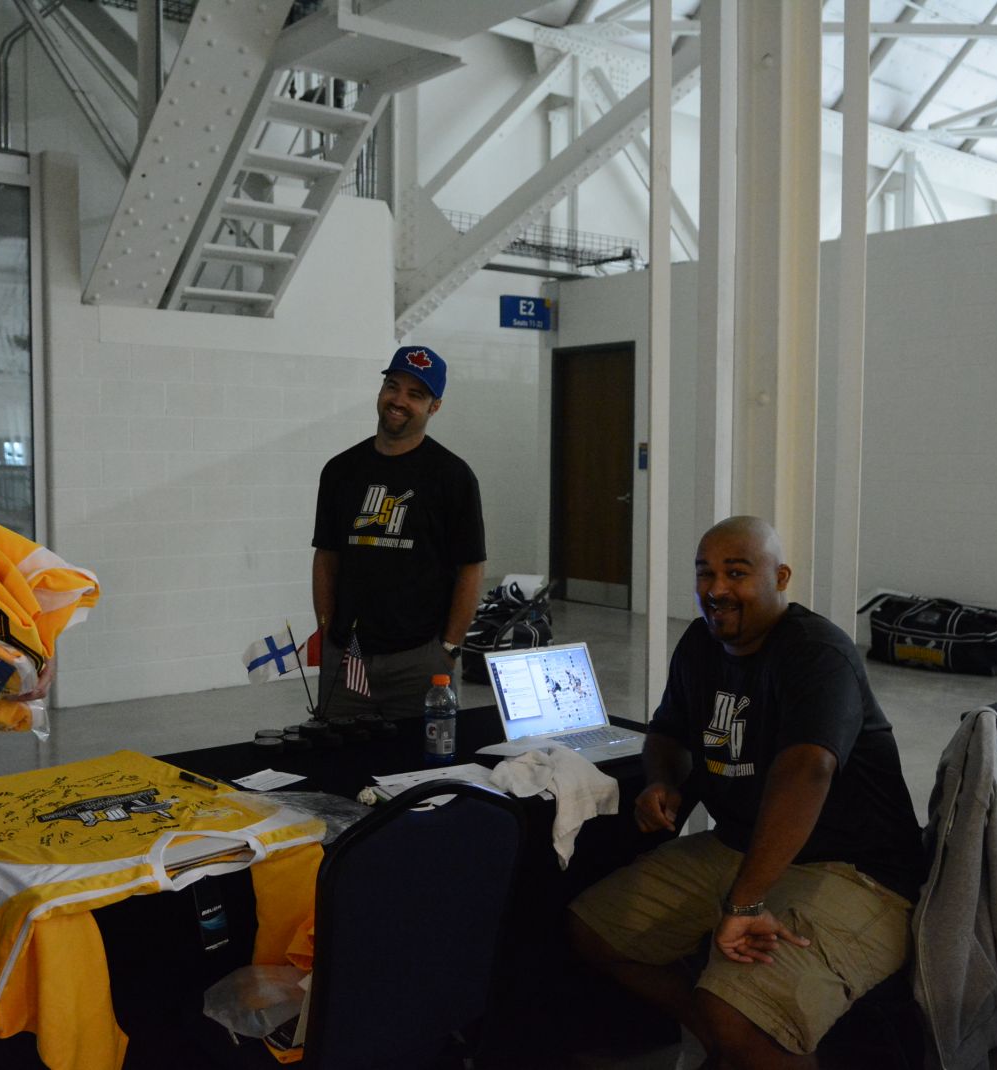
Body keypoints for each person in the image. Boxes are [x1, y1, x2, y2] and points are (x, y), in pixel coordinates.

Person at [567, 516, 925, 1068]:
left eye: (736, 573)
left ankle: (739, 1041)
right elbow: (668, 731)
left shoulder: (816, 654)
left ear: (779, 578)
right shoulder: (701, 643)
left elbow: (807, 770)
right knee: (595, 931)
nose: (716, 589)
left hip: (854, 872)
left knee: (740, 1015)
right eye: (705, 573)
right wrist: (664, 780)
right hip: (738, 846)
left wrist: (744, 903)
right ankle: (723, 1047)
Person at [310, 345, 486, 720]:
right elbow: (326, 556)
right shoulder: (340, 471)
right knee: (338, 753)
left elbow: (470, 568)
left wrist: (449, 647)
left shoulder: (453, 477)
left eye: (415, 394)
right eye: (393, 386)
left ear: (434, 407)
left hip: (419, 662)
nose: (399, 400)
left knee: (420, 757)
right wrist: (327, 637)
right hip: (348, 658)